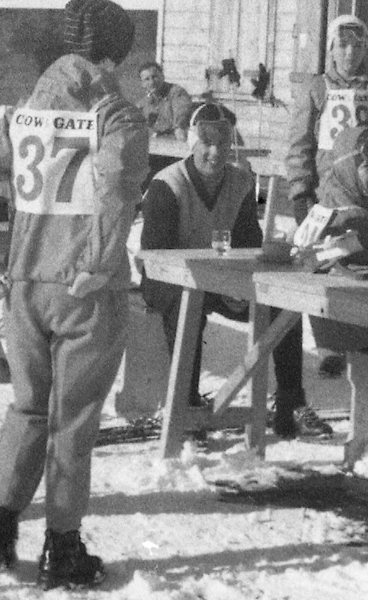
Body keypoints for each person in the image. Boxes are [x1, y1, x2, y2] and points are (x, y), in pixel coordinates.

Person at [0, 0, 149, 588]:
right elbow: (114, 189)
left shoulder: (21, 115)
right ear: (113, 55)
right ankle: (62, 546)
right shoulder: (118, 117)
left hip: (25, 286)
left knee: (27, 407)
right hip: (85, 289)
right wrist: (100, 261)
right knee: (74, 420)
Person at [140, 102, 331, 439]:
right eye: (207, 144)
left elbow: (248, 244)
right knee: (188, 306)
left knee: (285, 305)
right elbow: (156, 259)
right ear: (192, 144)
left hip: (219, 277)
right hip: (166, 279)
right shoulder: (166, 185)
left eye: (223, 145)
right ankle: (187, 406)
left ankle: (291, 402)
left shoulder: (241, 183)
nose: (216, 153)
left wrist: (259, 268)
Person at [285, 14, 368, 224]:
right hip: (325, 192)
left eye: (358, 46)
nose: (350, 53)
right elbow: (300, 145)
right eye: (343, 45)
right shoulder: (316, 88)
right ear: (331, 48)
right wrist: (300, 193)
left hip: (367, 192)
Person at [139, 61, 193, 140]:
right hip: (158, 140)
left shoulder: (176, 92)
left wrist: (178, 127)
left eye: (154, 77)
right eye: (147, 79)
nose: (152, 82)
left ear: (162, 76)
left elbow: (181, 113)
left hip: (175, 137)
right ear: (142, 84)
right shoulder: (145, 101)